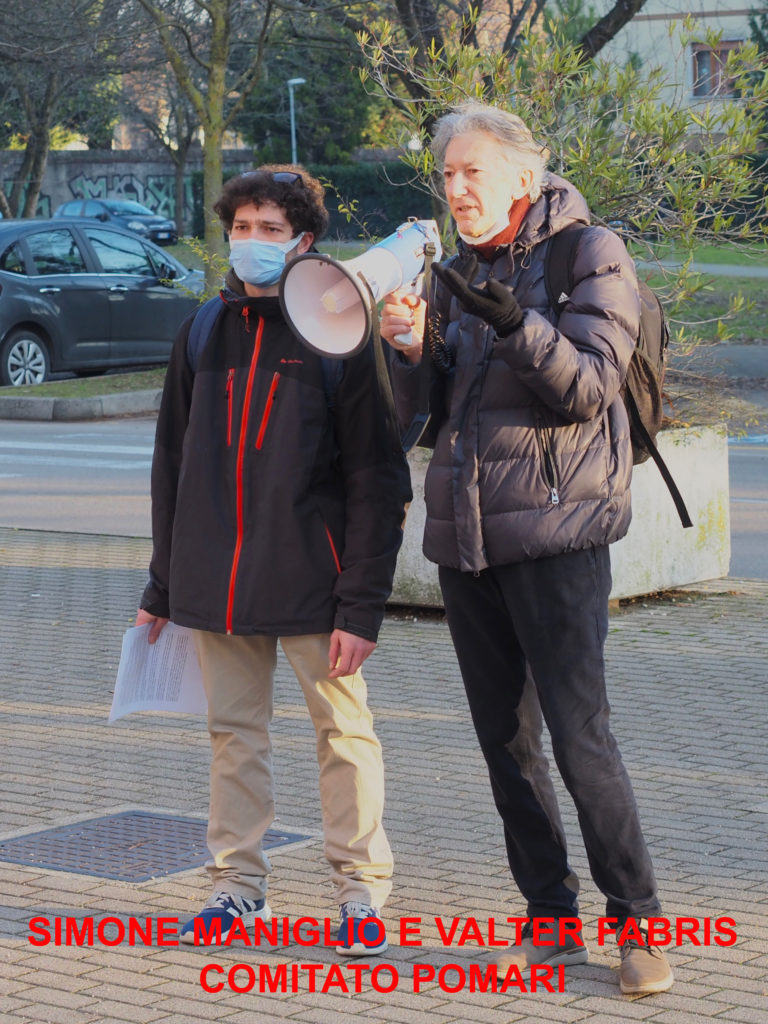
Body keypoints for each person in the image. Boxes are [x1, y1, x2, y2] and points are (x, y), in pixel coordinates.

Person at [381, 102, 674, 996]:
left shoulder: (590, 253)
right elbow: (416, 416)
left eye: (472, 171)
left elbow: (587, 386)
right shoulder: (451, 269)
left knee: (582, 740)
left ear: (523, 173)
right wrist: (403, 349)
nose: (456, 189)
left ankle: (641, 927)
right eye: (447, 176)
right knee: (506, 744)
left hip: (558, 535)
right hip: (469, 542)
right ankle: (549, 921)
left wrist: (513, 322)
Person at [137, 165, 411, 955]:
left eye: (270, 229)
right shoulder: (203, 330)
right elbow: (171, 467)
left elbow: (377, 477)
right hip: (213, 586)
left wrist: (361, 605)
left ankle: (361, 892)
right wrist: (162, 586)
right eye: (242, 227)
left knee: (344, 735)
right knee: (234, 734)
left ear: (305, 243)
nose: (251, 242)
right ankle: (235, 886)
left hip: (315, 586)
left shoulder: (341, 335)